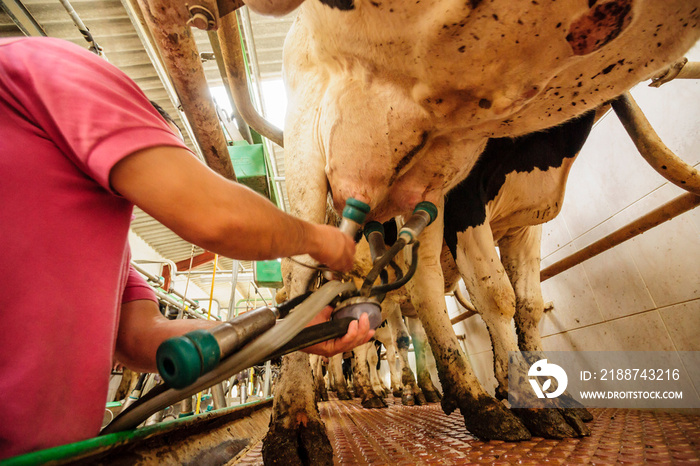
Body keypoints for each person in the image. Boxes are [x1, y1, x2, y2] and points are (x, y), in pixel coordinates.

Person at [0, 36, 373, 458]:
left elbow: (143, 337)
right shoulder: (55, 64)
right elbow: (215, 214)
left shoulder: (112, 257)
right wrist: (322, 239)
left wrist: (287, 333)